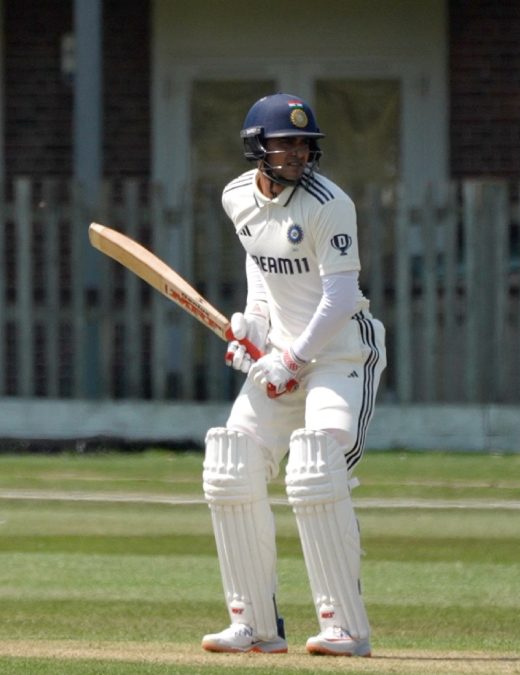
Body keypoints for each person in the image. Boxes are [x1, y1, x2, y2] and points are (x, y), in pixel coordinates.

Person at [200, 93, 386, 656]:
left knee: (316, 464)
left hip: (340, 354)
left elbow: (340, 296)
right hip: (283, 350)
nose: (299, 153)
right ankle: (254, 624)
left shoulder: (330, 204)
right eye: (286, 143)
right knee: (230, 463)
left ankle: (345, 628)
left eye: (306, 144)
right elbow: (261, 273)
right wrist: (254, 330)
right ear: (258, 147)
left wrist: (292, 359)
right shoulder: (237, 197)